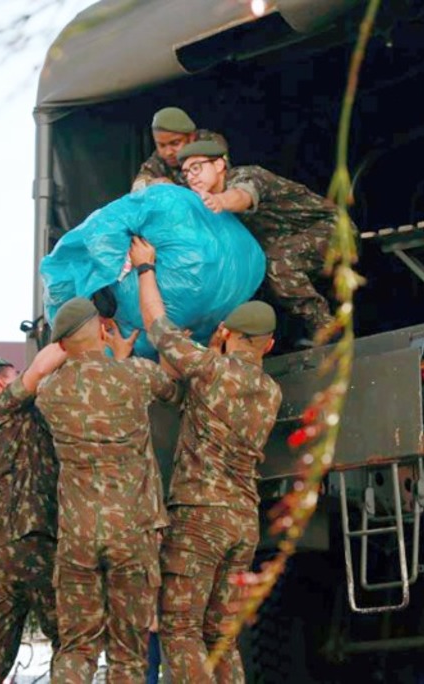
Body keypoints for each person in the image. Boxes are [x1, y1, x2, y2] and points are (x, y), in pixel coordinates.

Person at [131, 237, 283, 683]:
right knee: (221, 636)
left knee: (179, 629)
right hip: (242, 522)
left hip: (200, 517)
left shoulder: (211, 369)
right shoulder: (270, 392)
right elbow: (206, 387)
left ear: (226, 332)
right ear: (270, 345)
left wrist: (145, 269)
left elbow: (158, 329)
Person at [35, 297, 179, 684]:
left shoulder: (48, 392)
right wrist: (121, 357)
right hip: (133, 531)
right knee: (128, 655)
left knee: (77, 648)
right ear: (101, 327)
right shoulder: (136, 375)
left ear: (61, 345)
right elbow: (172, 393)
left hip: (78, 535)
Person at [0, 347, 66, 684]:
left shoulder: (20, 414)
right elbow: (40, 369)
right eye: (14, 374)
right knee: (69, 637)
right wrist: (70, 336)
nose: (22, 375)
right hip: (32, 540)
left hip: (3, 547)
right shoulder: (2, 409)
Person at [177, 139, 335, 340]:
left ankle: (326, 329)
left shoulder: (247, 176)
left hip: (330, 230)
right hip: (284, 247)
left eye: (196, 168)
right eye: (186, 173)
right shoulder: (206, 206)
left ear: (218, 165)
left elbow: (243, 196)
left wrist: (220, 201)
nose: (191, 176)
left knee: (277, 262)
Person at [132, 106, 228, 192]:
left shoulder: (209, 144)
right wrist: (154, 184)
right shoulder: (159, 158)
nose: (168, 152)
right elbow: (137, 187)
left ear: (191, 137)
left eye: (175, 143)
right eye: (161, 145)